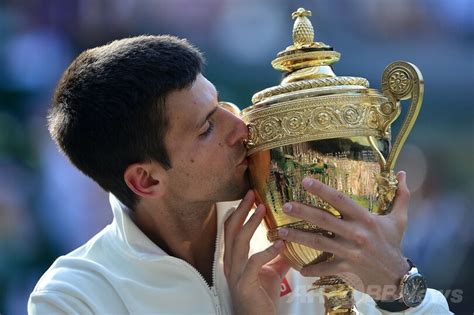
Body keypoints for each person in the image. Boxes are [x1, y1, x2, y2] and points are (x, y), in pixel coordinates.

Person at [28, 35, 451, 314]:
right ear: (147, 181)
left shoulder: (304, 226)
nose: (242, 127)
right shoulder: (73, 297)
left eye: (222, 105)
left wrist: (398, 288)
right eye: (207, 127)